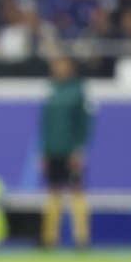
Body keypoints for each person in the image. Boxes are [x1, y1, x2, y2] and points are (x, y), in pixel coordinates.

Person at [40, 56, 93, 249]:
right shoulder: (51, 90)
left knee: (76, 191)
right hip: (52, 150)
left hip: (70, 151)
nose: (58, 69)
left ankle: (82, 238)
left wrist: (79, 149)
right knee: (53, 191)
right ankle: (49, 239)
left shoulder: (79, 91)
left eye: (62, 65)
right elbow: (44, 124)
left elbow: (85, 123)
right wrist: (43, 150)